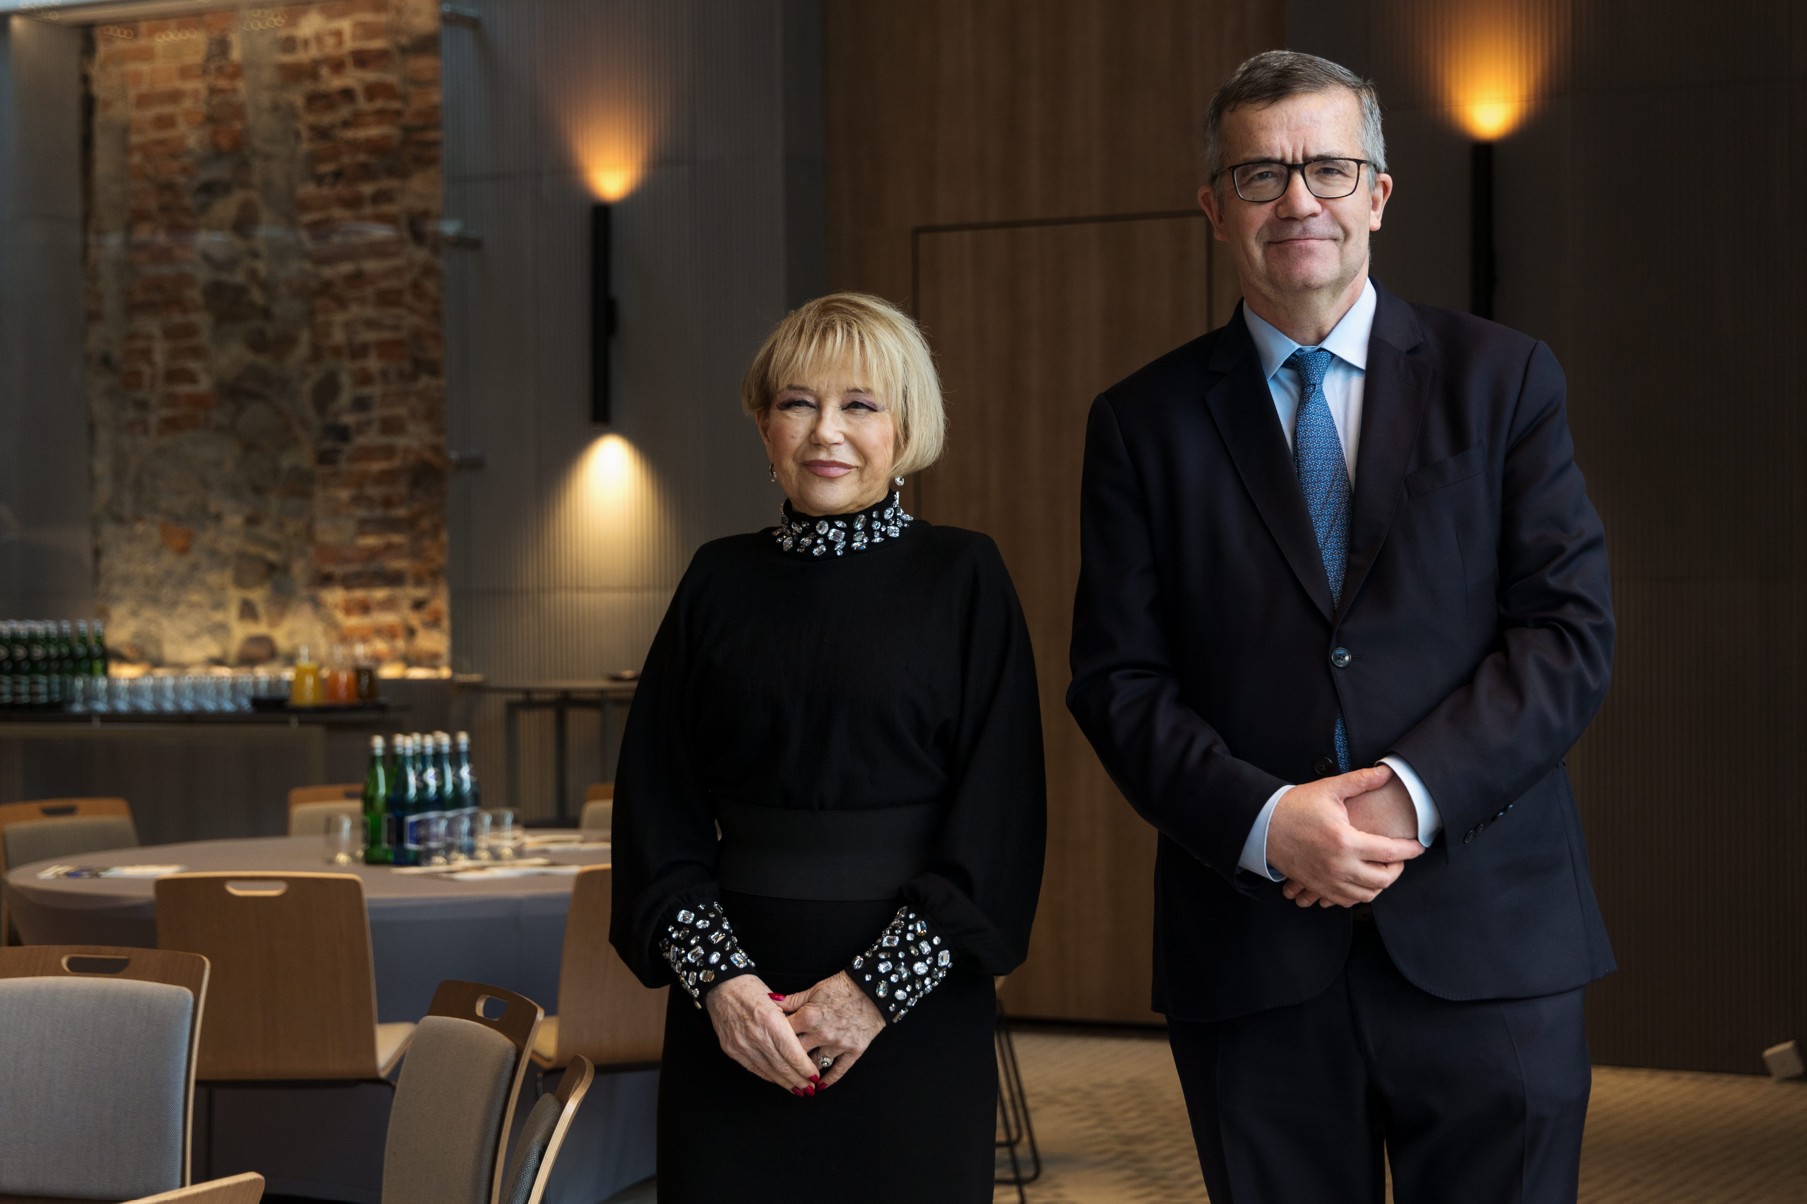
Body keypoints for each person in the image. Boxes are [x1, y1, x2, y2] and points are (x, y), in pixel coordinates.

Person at [1067, 50, 1615, 1204]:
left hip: (1488, 939)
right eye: (1259, 175)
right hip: (1253, 951)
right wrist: (1267, 822)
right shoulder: (1140, 423)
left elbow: (1564, 634)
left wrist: (1407, 796)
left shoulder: (1503, 378)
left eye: (1328, 167)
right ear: (1214, 207)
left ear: (1377, 193)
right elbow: (1118, 680)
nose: (1297, 200)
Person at [609, 292, 1047, 1202]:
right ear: (763, 425)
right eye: (798, 403)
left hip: (914, 1011)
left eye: (860, 404)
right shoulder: (715, 579)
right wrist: (722, 985)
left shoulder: (964, 575)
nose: (826, 433)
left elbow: (1000, 818)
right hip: (734, 1010)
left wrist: (872, 992)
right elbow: (655, 810)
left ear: (904, 428)